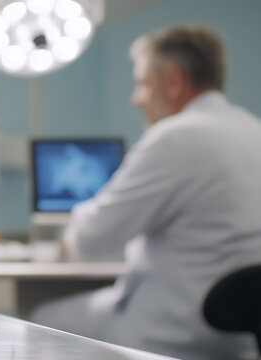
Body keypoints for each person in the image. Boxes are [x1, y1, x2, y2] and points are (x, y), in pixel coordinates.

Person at [30, 25, 261, 360]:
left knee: (41, 319)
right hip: (242, 340)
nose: (136, 98)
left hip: (171, 336)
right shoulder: (254, 130)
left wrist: (73, 228)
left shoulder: (174, 138)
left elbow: (93, 241)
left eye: (141, 84)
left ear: (173, 80)